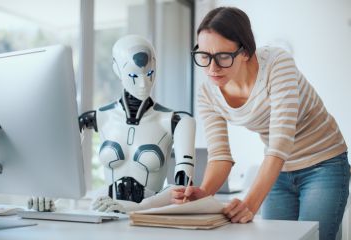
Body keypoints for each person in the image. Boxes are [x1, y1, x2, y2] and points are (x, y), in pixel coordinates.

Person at [171, 7, 349, 240]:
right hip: (280, 173)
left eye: (223, 56)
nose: (212, 68)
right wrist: (203, 195)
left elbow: (280, 143)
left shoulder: (277, 63)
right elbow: (220, 156)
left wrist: (250, 204)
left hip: (323, 164)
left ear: (244, 51)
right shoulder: (208, 92)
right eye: (204, 56)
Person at [28, 35, 196, 213]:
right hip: (104, 210)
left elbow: (184, 189)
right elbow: (62, 164)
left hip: (149, 216)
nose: (143, 84)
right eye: (133, 75)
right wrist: (47, 192)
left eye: (149, 74)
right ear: (117, 69)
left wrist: (137, 207)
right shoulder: (98, 117)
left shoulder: (177, 121)